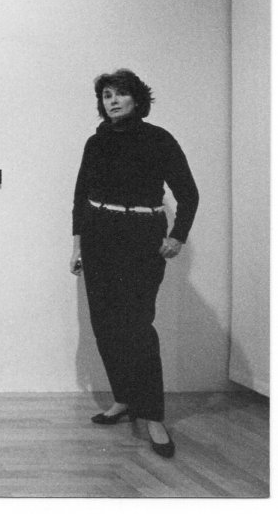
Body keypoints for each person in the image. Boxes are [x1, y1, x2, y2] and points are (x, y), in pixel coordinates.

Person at [70, 69, 199, 459]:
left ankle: (153, 416)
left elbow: (188, 193)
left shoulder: (159, 139)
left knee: (137, 326)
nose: (112, 101)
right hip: (99, 235)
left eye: (120, 94)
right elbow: (80, 195)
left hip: (141, 236)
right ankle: (124, 399)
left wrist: (177, 235)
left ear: (137, 99)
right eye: (106, 95)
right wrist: (77, 245)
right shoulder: (96, 142)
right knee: (105, 325)